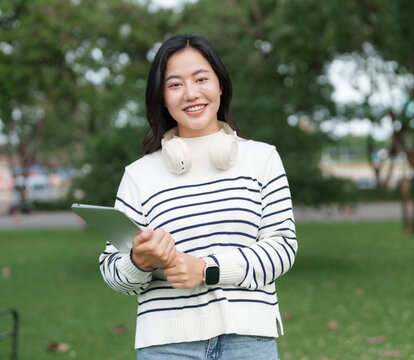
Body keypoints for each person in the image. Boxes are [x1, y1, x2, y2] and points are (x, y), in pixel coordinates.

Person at [99, 34, 297, 359]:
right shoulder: (138, 175)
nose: (191, 93)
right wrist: (140, 262)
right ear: (162, 97)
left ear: (220, 85)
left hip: (249, 341)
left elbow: (282, 249)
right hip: (166, 347)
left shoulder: (263, 159)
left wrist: (208, 269)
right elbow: (113, 271)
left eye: (201, 79)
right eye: (175, 84)